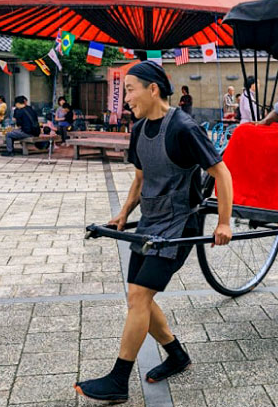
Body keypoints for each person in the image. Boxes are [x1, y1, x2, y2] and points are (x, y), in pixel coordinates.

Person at [73, 61, 234, 403]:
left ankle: (118, 380)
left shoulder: (183, 129)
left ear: (153, 89)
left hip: (178, 225)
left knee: (139, 298)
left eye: (130, 89)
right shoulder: (139, 129)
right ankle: (177, 356)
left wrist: (223, 222)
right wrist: (123, 214)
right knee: (138, 297)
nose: (125, 97)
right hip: (149, 223)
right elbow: (140, 179)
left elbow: (222, 173)